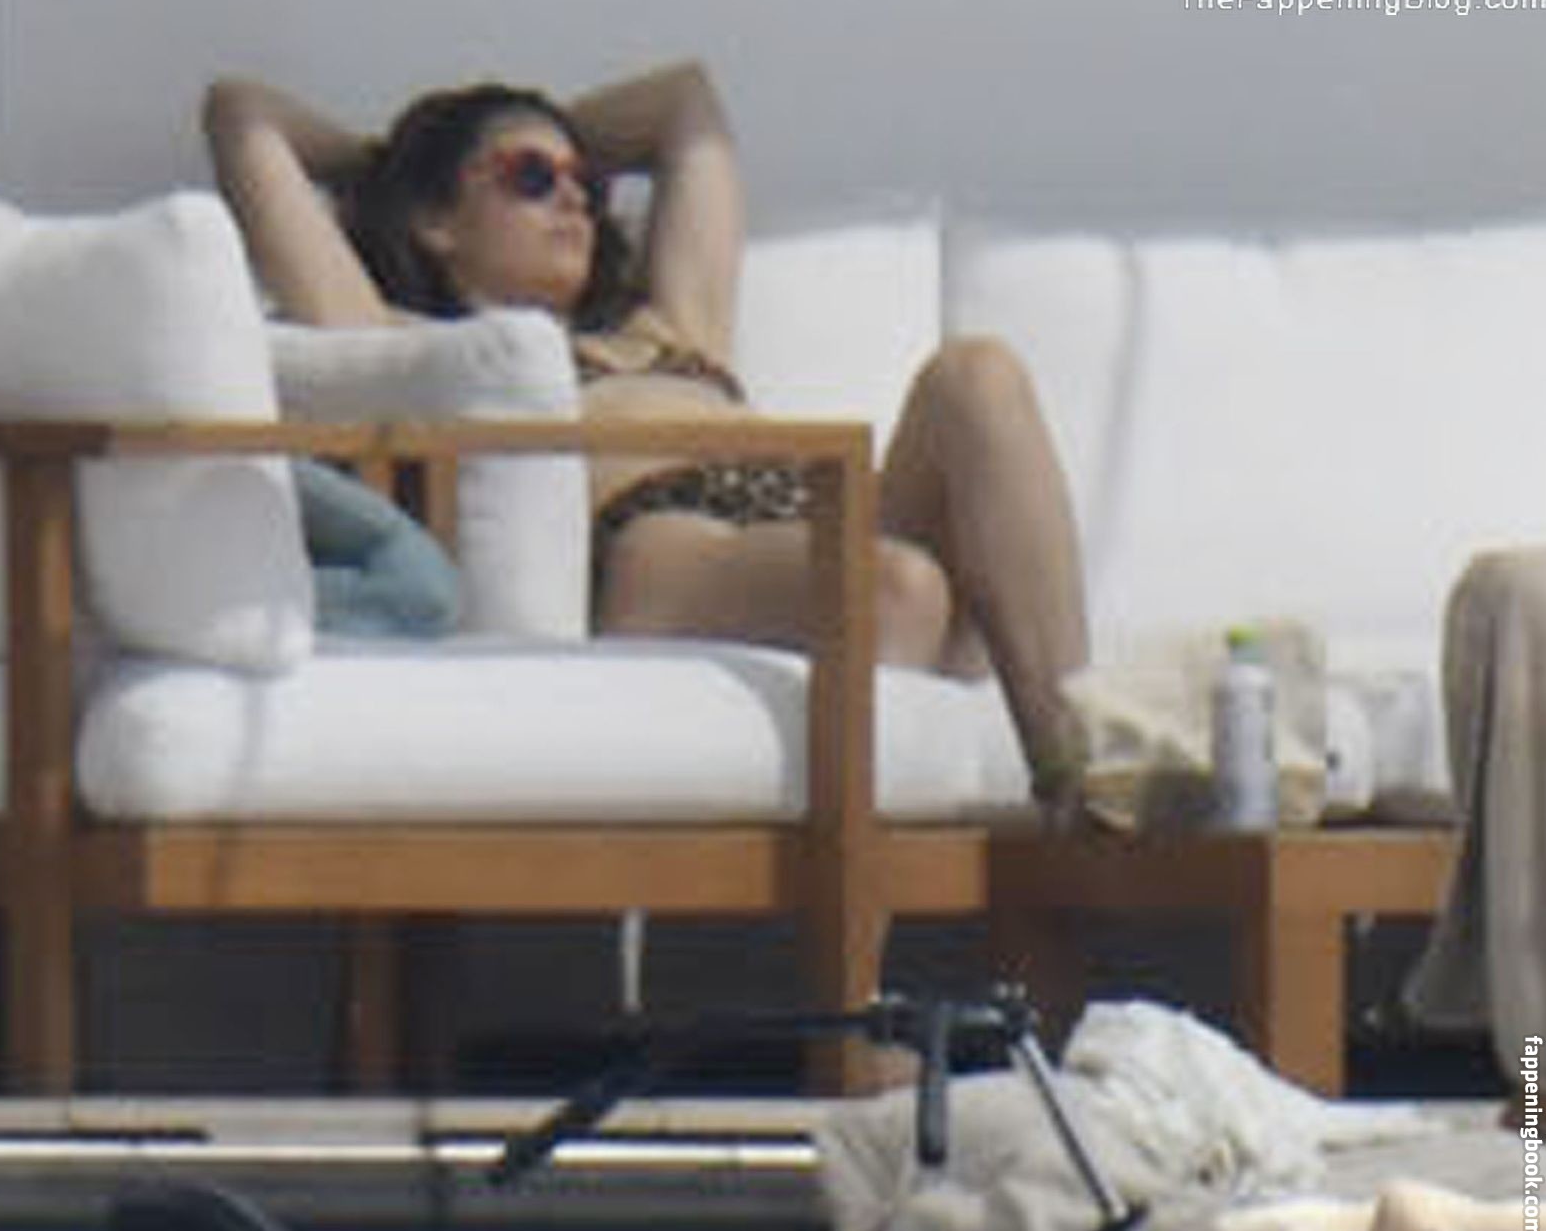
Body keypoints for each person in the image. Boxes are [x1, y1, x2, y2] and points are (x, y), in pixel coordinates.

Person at [203, 61, 1090, 798]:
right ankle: (867, 951)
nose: (574, 200)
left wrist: (537, 142)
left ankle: (1084, 772)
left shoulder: (670, 325)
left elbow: (684, 104)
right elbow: (244, 119)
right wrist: (395, 162)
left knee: (979, 377)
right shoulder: (407, 342)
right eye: (530, 178)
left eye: (586, 184)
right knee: (897, 587)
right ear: (435, 220)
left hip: (819, 515)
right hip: (664, 546)